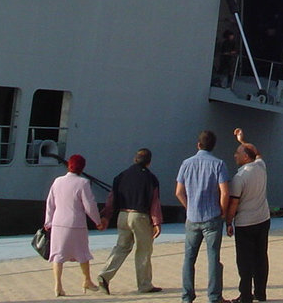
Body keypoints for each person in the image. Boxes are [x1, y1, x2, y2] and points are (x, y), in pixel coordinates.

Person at [98, 148, 164, 294]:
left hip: (122, 215)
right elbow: (154, 202)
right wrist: (156, 222)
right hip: (140, 216)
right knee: (143, 250)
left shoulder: (121, 176)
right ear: (149, 162)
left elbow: (111, 199)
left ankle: (104, 275)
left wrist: (106, 216)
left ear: (135, 159)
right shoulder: (151, 178)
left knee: (121, 247)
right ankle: (144, 285)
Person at [176, 130, 230, 303]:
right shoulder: (219, 164)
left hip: (192, 217)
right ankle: (214, 297)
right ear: (213, 146)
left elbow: (178, 192)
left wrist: (189, 206)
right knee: (213, 258)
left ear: (198, 144)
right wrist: (222, 211)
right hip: (212, 217)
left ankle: (187, 296)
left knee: (189, 259)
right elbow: (225, 192)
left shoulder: (186, 163)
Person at [44, 154, 105, 297]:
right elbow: (89, 205)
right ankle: (87, 280)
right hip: (76, 223)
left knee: (58, 255)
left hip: (58, 223)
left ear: (68, 165)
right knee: (82, 253)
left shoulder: (57, 181)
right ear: (82, 167)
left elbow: (50, 203)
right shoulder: (83, 183)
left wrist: (48, 221)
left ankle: (58, 286)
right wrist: (98, 222)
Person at [226, 128, 271, 303]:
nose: (235, 155)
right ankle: (261, 293)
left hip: (245, 224)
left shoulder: (240, 177)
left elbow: (234, 203)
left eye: (238, 153)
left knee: (244, 262)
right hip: (263, 220)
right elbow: (257, 153)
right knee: (261, 258)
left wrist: (228, 222)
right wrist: (242, 141)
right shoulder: (261, 166)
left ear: (245, 157)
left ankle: (245, 296)